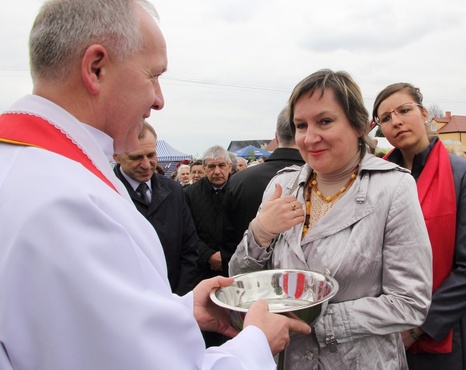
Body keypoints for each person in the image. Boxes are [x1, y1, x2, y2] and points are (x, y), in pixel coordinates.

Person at [0, 1, 311, 369]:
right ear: (96, 68)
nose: (159, 100)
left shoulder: (33, 167)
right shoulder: (66, 201)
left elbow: (75, 328)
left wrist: (178, 309)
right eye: (153, 75)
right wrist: (256, 343)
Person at [230, 69, 433, 370]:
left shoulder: (392, 188)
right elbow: (241, 281)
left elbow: (409, 302)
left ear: (358, 125)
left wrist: (312, 319)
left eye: (325, 121)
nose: (310, 138)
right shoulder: (283, 185)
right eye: (301, 125)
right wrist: (260, 233)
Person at [372, 82, 466, 370]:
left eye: (404, 110)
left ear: (424, 113)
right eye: (386, 118)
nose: (396, 121)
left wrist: (417, 328)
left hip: (446, 328)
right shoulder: (375, 178)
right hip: (383, 326)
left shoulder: (462, 174)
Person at [113, 121, 199, 295]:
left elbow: (189, 248)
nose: (146, 164)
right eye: (136, 157)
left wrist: (179, 297)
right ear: (116, 156)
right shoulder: (106, 192)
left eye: (151, 155)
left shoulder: (174, 191)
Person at [223, 106, 305, 260]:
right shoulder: (320, 180)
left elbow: (227, 237)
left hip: (246, 275)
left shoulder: (238, 179)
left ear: (276, 137)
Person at [185, 145, 234, 347]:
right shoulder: (190, 194)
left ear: (229, 167)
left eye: (221, 165)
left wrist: (225, 256)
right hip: (201, 270)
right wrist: (208, 256)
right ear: (203, 168)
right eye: (212, 166)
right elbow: (187, 232)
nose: (217, 171)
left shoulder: (238, 188)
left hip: (232, 267)